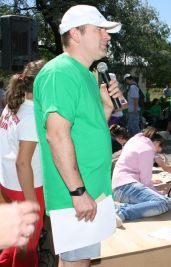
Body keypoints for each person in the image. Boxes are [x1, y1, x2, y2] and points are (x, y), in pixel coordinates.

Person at [33, 5, 122, 266]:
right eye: (100, 30)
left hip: (93, 191)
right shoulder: (60, 73)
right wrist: (77, 191)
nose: (108, 36)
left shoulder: (85, 74)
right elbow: (56, 136)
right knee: (75, 264)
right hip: (78, 195)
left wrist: (107, 107)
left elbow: (87, 132)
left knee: (81, 263)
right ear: (76, 33)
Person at [0, 60, 46, 267]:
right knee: (27, 248)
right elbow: (22, 163)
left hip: (7, 184)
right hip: (26, 188)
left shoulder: (12, 105)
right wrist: (31, 203)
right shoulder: (31, 116)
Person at [112, 127, 171, 222]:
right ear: (157, 142)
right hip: (125, 187)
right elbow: (146, 183)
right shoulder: (147, 149)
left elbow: (132, 168)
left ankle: (119, 207)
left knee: (161, 201)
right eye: (157, 150)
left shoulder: (135, 140)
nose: (156, 153)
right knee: (165, 202)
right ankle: (121, 213)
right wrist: (158, 194)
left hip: (118, 188)